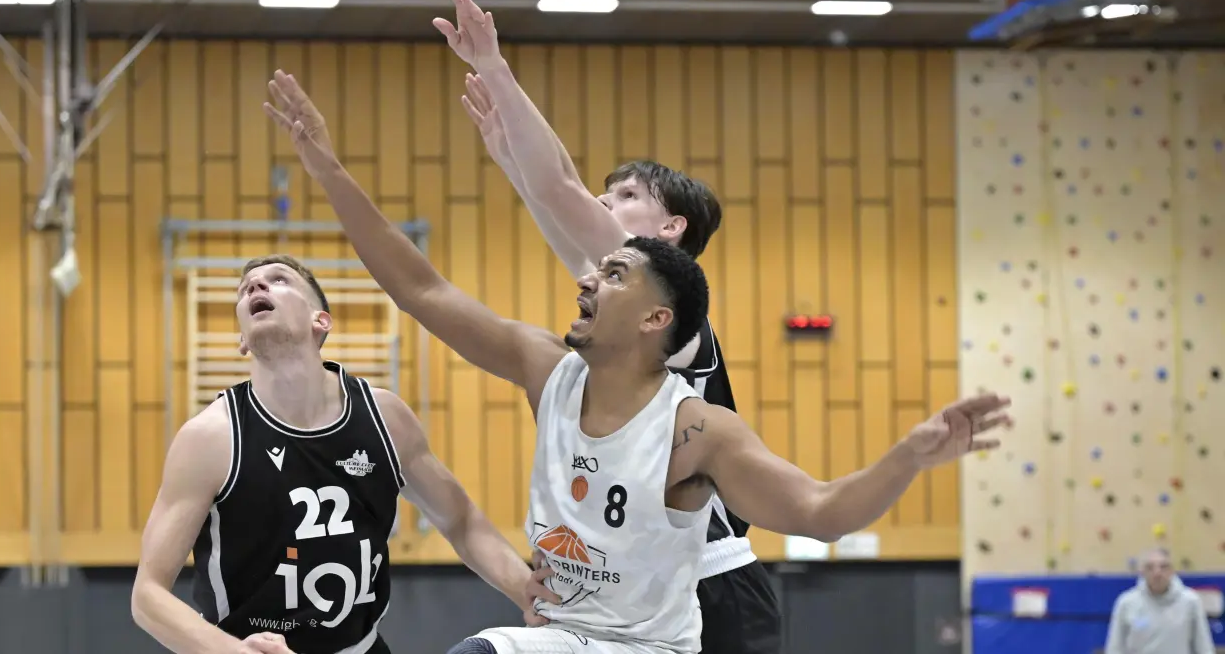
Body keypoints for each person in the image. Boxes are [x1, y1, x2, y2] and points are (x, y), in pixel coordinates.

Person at [264, 70, 1011, 654]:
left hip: (663, 635)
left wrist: (909, 457)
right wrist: (325, 166)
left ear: (658, 318)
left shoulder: (697, 428)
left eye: (613, 274)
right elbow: (420, 286)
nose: (588, 277)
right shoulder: (545, 366)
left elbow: (820, 512)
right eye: (598, 270)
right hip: (567, 632)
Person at [436, 0, 779, 653]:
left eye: (622, 195)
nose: (604, 204)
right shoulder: (626, 300)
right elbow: (557, 195)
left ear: (671, 228)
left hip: (709, 589)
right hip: (640, 590)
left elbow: (560, 188)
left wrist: (495, 67)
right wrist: (511, 159)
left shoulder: (671, 312)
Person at [131, 253, 546, 654]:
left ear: (320, 320)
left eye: (279, 280)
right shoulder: (211, 437)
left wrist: (522, 588)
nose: (256, 285)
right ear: (242, 339)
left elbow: (460, 519)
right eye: (245, 289)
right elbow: (148, 594)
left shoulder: (385, 417)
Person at [1105, 547, 1214, 654]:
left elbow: (1204, 647)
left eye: (1163, 567)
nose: (1157, 573)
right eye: (1150, 567)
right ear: (1142, 572)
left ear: (1172, 571)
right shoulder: (1126, 603)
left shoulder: (1191, 601)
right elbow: (1115, 648)